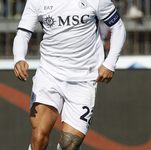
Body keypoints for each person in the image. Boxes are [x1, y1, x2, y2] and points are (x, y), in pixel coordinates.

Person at [12, 0, 126, 149]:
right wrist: (19, 58)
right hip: (49, 74)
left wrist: (110, 63)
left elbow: (118, 27)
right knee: (39, 137)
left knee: (69, 145)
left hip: (83, 80)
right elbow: (23, 33)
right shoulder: (36, 1)